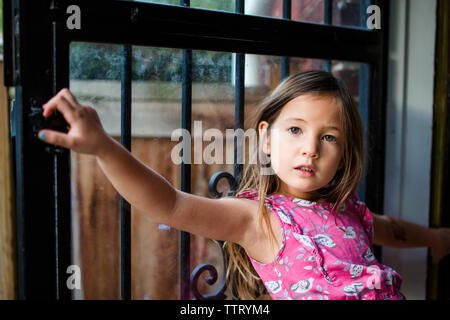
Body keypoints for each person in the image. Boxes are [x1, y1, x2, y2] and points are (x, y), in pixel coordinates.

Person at [38, 70, 450, 300]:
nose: (310, 150)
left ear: (344, 153)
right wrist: (104, 147)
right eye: (295, 130)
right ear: (267, 138)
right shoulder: (259, 219)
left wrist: (435, 239)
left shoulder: (346, 211)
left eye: (329, 138)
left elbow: (393, 229)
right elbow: (169, 205)